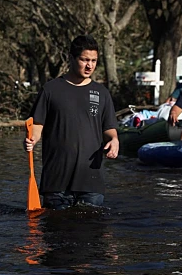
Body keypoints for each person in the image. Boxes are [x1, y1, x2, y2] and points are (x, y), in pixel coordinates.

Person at [24, 35, 119, 209]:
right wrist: (32, 139)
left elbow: (109, 128)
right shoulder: (51, 89)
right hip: (56, 181)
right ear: (71, 58)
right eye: (84, 60)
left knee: (91, 232)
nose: (89, 65)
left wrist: (114, 140)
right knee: (57, 233)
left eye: (93, 60)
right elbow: (37, 124)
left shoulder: (101, 93)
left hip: (91, 182)